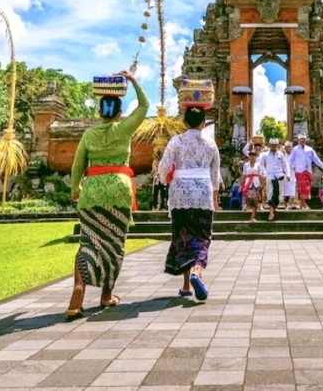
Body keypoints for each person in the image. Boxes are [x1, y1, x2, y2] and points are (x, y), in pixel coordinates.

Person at [66, 70, 148, 318]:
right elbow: (144, 106)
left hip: (91, 192)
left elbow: (77, 166)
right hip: (119, 191)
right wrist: (133, 81)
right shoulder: (124, 129)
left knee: (88, 242)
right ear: (120, 112)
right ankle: (105, 295)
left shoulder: (89, 134)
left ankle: (78, 290)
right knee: (113, 244)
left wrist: (74, 189)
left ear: (100, 112)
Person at [158, 106, 221, 301]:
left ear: (184, 123)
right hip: (203, 193)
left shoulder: (175, 141)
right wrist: (215, 201)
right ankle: (196, 272)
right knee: (202, 237)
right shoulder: (210, 144)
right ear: (203, 123)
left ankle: (186, 285)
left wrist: (165, 180)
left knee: (184, 236)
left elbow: (163, 167)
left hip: (180, 193)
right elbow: (215, 175)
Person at [289, 133, 323, 210]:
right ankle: (304, 204)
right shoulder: (295, 149)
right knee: (302, 188)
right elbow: (290, 160)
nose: (302, 141)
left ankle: (302, 203)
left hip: (308, 171)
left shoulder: (310, 149)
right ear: (298, 140)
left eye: (304, 139)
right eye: (301, 139)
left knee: (307, 188)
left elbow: (316, 159)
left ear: (306, 140)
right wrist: (288, 170)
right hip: (299, 171)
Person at [258, 138, 291, 221]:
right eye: (272, 145)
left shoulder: (280, 154)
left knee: (279, 195)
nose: (274, 147)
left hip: (279, 176)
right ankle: (271, 212)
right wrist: (262, 174)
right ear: (269, 145)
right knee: (270, 194)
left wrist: (288, 174)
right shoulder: (265, 155)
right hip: (269, 176)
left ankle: (273, 208)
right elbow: (259, 165)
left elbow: (286, 164)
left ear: (277, 145)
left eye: (275, 145)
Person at [240, 149, 265, 222]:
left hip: (256, 182)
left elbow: (260, 175)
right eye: (251, 156)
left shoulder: (258, 165)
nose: (252, 157)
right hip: (248, 183)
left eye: (253, 156)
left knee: (255, 199)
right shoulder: (246, 165)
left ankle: (253, 216)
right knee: (249, 197)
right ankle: (247, 205)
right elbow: (244, 175)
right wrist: (241, 184)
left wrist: (262, 184)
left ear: (256, 156)